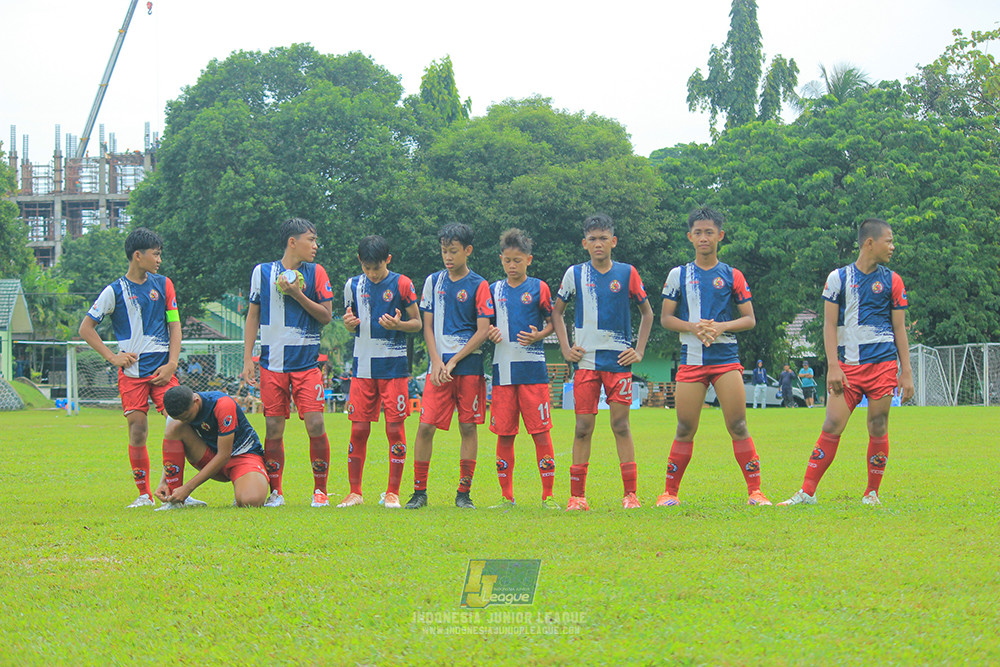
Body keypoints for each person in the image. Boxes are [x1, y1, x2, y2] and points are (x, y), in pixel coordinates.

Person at [779, 218, 914, 506]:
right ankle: (807, 492)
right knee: (831, 424)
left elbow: (900, 328)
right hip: (848, 367)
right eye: (888, 241)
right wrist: (833, 365)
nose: (893, 246)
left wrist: (907, 372)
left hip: (883, 366)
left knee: (877, 425)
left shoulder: (893, 280)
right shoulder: (838, 278)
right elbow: (828, 325)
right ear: (869, 243)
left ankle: (872, 493)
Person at [658, 207, 771, 507]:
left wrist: (721, 326)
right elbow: (666, 319)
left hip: (725, 359)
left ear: (720, 235)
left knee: (738, 425)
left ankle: (755, 492)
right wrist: (693, 327)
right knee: (684, 427)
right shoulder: (677, 274)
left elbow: (749, 319)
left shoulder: (732, 275)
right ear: (690, 237)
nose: (704, 238)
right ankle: (669, 493)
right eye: (698, 232)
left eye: (710, 232)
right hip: (691, 360)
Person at [552, 213, 653, 511]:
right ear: (585, 243)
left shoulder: (627, 273)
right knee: (583, 426)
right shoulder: (574, 274)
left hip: (619, 362)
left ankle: (630, 495)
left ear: (614, 241)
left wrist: (639, 350)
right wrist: (566, 348)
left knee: (620, 425)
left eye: (603, 238)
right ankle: (577, 496)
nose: (599, 244)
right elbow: (557, 312)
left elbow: (648, 313)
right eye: (593, 239)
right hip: (585, 363)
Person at [79, 227, 183, 509]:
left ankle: (174, 491)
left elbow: (175, 326)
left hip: (162, 371)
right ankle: (143, 495)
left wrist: (172, 363)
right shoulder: (114, 291)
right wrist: (113, 357)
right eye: (155, 254)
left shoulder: (164, 285)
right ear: (138, 256)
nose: (159, 259)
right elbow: (86, 328)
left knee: (179, 423)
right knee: (137, 429)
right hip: (133, 375)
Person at [240, 218, 334, 508]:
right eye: (311, 240)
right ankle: (276, 491)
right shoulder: (262, 272)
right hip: (272, 364)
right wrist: (248, 358)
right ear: (293, 242)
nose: (315, 246)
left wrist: (297, 294)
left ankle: (320, 491)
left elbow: (326, 316)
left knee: (316, 424)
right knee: (273, 428)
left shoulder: (317, 273)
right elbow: (253, 316)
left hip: (306, 364)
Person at [405, 223, 494, 510]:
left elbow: (483, 329)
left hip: (468, 365)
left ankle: (463, 494)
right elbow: (427, 326)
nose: (448, 257)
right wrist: (436, 361)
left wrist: (454, 359)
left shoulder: (479, 285)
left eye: (453, 251)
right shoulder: (433, 281)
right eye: (444, 251)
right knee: (426, 425)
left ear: (467, 251)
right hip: (439, 367)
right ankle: (419, 492)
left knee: (468, 426)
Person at [340, 235, 421, 509]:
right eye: (367, 268)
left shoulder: (402, 283)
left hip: (394, 367)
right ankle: (355, 492)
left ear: (388, 260)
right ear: (360, 263)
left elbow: (418, 323)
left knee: (395, 429)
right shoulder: (351, 285)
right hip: (362, 368)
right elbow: (350, 325)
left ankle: (393, 492)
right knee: (359, 429)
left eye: (377, 268)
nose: (372, 275)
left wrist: (399, 325)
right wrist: (349, 324)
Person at [485, 229, 559, 510]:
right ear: (501, 260)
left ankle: (548, 496)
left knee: (541, 432)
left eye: (517, 260)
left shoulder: (539, 288)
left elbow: (553, 321)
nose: (512, 266)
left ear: (529, 260)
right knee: (505, 434)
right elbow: (485, 323)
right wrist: (490, 331)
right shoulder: (493, 290)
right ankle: (506, 497)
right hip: (503, 373)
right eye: (507, 261)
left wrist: (540, 335)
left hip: (533, 373)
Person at [154, 385, 268, 509]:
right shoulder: (182, 412)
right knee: (173, 426)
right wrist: (164, 481)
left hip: (243, 455)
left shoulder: (222, 405)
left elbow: (224, 456)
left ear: (196, 400)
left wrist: (187, 488)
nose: (184, 421)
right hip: (212, 457)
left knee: (251, 501)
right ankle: (174, 498)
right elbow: (172, 452)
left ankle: (245, 483)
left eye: (187, 417)